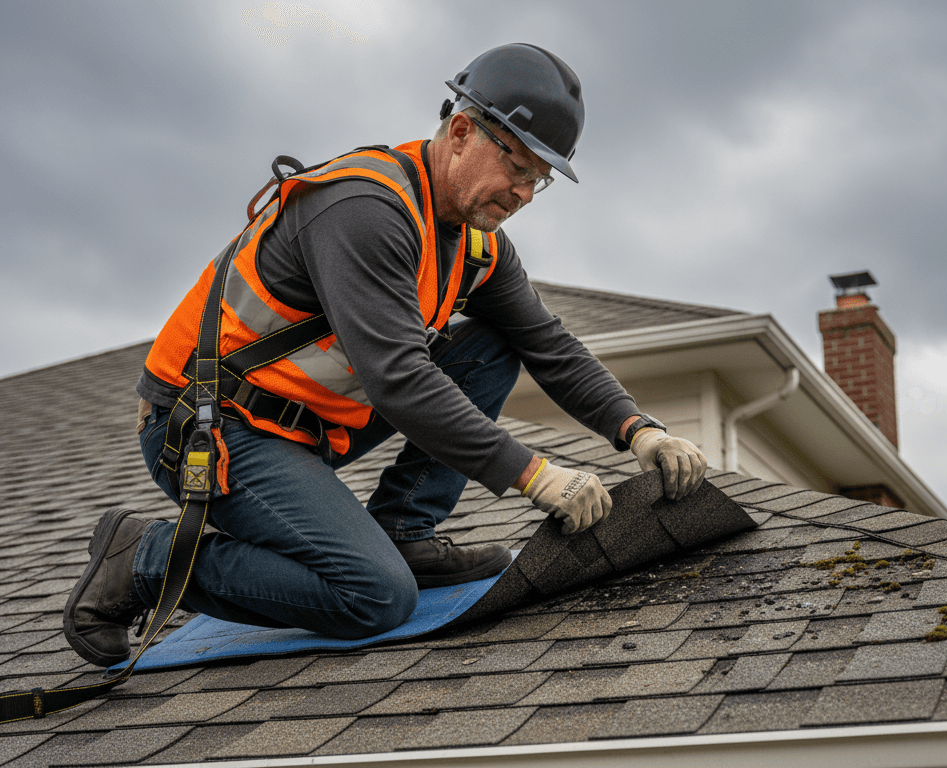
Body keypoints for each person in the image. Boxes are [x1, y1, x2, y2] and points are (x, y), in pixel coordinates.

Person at [63, 44, 707, 667]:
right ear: (461, 131)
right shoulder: (366, 209)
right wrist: (536, 477)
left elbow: (548, 344)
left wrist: (638, 429)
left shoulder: (476, 245)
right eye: (518, 168)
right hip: (212, 425)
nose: (524, 195)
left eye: (540, 181)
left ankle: (404, 532)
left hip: (303, 428)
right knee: (376, 596)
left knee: (494, 343)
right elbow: (399, 380)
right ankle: (141, 555)